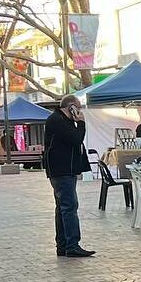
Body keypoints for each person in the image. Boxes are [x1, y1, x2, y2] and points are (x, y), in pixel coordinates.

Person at [43, 95, 94, 257]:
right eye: (77, 108)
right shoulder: (58, 120)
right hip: (61, 170)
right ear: (71, 107)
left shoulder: (59, 120)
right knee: (69, 206)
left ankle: (63, 245)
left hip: (63, 169)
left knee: (63, 207)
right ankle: (72, 244)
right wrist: (81, 122)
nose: (78, 111)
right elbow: (76, 139)